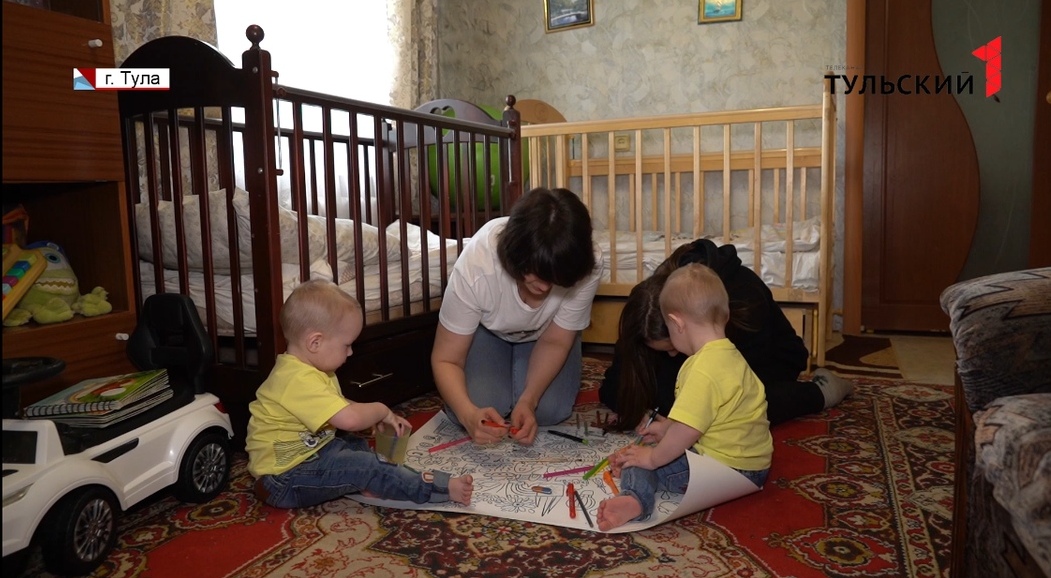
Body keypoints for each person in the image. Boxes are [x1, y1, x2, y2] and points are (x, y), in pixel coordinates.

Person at [246, 279, 473, 508]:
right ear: (315, 342)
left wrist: (370, 417)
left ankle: (371, 480)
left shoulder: (308, 370)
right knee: (367, 465)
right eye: (346, 345)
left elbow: (339, 404)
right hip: (284, 479)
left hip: (307, 457)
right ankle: (438, 488)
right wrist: (381, 410)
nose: (351, 352)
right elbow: (350, 419)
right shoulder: (297, 379)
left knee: (355, 446)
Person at [599, 238, 853, 431]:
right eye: (665, 351)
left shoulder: (740, 297)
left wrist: (679, 413)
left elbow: (735, 387)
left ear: (680, 324)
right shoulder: (650, 306)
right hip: (708, 358)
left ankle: (819, 392)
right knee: (671, 396)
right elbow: (613, 385)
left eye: (672, 347)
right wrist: (641, 411)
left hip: (768, 361)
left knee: (727, 415)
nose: (672, 354)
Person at [597, 263, 773, 531]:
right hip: (756, 466)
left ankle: (635, 500)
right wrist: (667, 427)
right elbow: (708, 415)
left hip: (726, 471)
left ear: (677, 323)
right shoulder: (732, 356)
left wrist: (651, 458)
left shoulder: (701, 369)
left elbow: (688, 430)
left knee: (638, 460)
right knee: (656, 449)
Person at [432, 187, 603, 445]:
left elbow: (555, 341)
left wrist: (528, 400)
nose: (544, 287)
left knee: (548, 411)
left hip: (547, 336)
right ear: (516, 256)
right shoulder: (478, 264)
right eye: (536, 275)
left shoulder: (586, 263)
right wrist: (468, 415)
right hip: (487, 333)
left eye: (555, 280)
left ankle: (519, 390)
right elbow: (446, 359)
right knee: (477, 405)